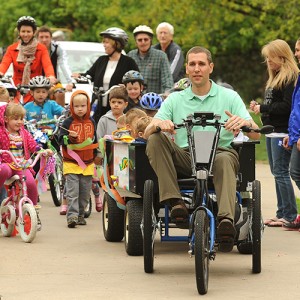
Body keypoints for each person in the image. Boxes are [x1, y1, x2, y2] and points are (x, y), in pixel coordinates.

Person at [144, 46, 260, 252]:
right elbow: (146, 132)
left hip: (220, 153)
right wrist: (158, 124)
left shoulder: (229, 97)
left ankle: (226, 221)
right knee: (154, 139)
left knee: (224, 161)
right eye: (192, 64)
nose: (197, 69)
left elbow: (256, 133)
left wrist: (243, 122)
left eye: (201, 64)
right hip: (186, 156)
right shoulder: (175, 99)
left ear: (211, 67)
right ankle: (174, 201)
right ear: (187, 69)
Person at [250, 39, 299, 227]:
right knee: (276, 172)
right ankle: (281, 212)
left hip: (282, 131)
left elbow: (287, 107)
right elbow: (273, 103)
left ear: (281, 56)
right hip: (271, 131)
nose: (268, 61)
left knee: (281, 172)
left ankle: (289, 214)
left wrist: (263, 107)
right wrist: (261, 109)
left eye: (270, 57)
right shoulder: (275, 76)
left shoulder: (290, 77)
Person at [0, 103, 51, 229]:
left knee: (30, 184)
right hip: (7, 163)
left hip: (21, 165)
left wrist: (41, 150)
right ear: (6, 119)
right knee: (3, 170)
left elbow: (33, 145)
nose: (19, 122)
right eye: (15, 119)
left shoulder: (24, 133)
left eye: (21, 119)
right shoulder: (2, 132)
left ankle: (32, 212)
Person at [73, 27, 139, 124]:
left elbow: (137, 81)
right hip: (99, 105)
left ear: (117, 44)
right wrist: (78, 76)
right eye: (104, 42)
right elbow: (89, 75)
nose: (104, 45)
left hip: (117, 108)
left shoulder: (128, 62)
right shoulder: (101, 60)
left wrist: (126, 87)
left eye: (107, 42)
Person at [58, 90, 99, 228]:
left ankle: (81, 214)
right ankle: (72, 217)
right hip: (71, 163)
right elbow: (60, 140)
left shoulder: (92, 121)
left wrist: (97, 154)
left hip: (87, 164)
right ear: (71, 107)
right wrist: (69, 137)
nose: (80, 109)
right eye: (76, 106)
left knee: (84, 193)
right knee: (72, 192)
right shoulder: (67, 122)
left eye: (83, 105)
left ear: (88, 106)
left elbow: (95, 139)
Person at [0, 16, 56, 104]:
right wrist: (1, 72)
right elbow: (4, 63)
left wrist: (51, 76)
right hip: (16, 89)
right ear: (19, 32)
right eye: (23, 31)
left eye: (28, 31)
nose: (25, 34)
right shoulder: (12, 48)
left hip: (35, 88)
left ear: (33, 33)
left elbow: (47, 65)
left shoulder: (41, 48)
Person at [282, 38, 300, 231]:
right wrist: (292, 134)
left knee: (295, 172)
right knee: (295, 172)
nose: (295, 54)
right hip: (296, 134)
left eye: (298, 50)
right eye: (295, 50)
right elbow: (296, 109)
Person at [127, 25, 173, 94]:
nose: (143, 42)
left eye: (146, 39)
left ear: (150, 40)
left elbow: (167, 81)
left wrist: (167, 94)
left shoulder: (161, 56)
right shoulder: (130, 56)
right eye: (140, 40)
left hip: (155, 102)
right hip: (134, 101)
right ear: (136, 42)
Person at [36, 26, 73, 93]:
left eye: (47, 37)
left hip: (53, 81)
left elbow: (63, 65)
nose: (44, 40)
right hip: (36, 82)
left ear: (51, 38)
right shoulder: (33, 49)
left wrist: (70, 82)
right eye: (41, 37)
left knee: (60, 94)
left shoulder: (57, 48)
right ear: (37, 38)